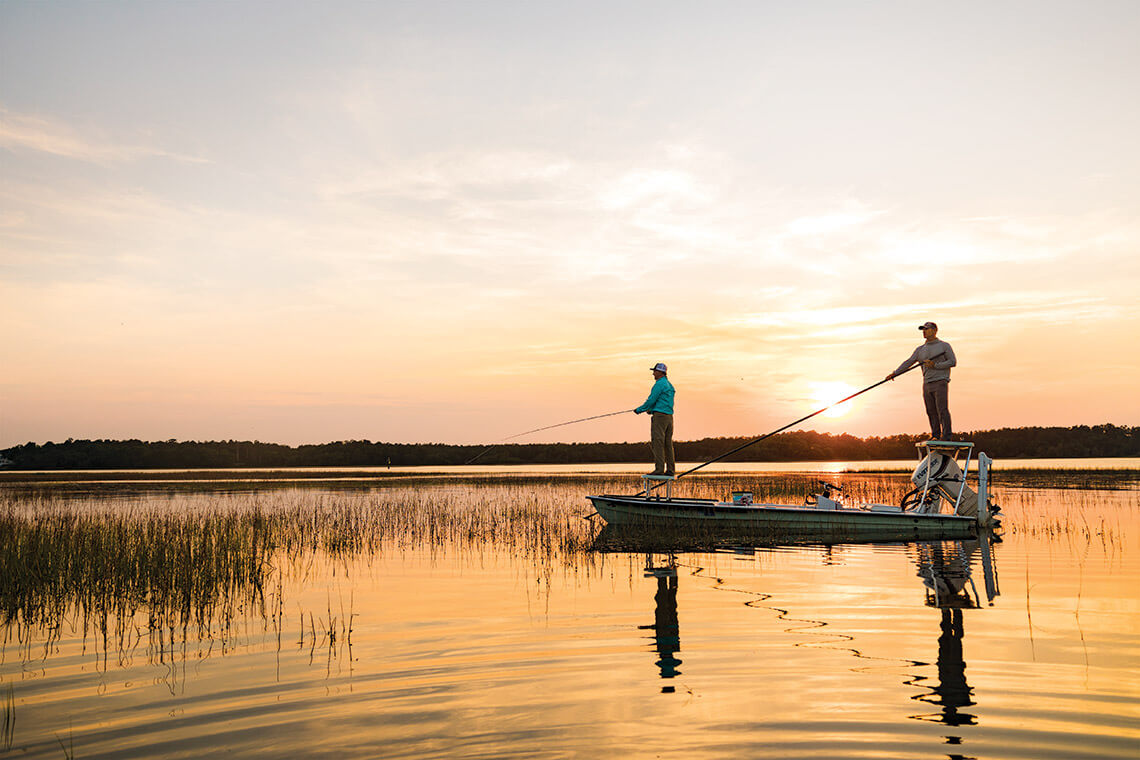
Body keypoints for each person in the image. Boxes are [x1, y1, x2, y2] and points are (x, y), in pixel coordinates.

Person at [887, 322, 957, 440]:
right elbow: (909, 362)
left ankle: (946, 437)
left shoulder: (944, 346)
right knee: (930, 411)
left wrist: (935, 365)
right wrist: (895, 373)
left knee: (942, 410)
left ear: (935, 331)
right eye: (923, 329)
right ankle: (935, 435)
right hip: (927, 383)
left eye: (927, 329)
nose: (924, 331)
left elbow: (952, 362)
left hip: (940, 381)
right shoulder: (920, 350)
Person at [635, 362, 675, 476]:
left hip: (660, 417)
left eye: (655, 371)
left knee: (657, 442)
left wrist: (640, 409)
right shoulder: (670, 385)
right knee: (668, 444)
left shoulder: (659, 384)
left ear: (660, 372)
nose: (653, 374)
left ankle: (659, 469)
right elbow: (662, 402)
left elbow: (651, 400)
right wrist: (651, 410)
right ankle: (670, 470)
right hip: (669, 417)